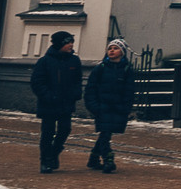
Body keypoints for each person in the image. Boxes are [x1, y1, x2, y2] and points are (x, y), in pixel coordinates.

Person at [84, 38, 137, 173]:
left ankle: (94, 158)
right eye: (110, 48)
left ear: (122, 52)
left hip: (117, 108)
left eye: (115, 48)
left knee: (105, 133)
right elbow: (91, 88)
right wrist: (94, 106)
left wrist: (125, 107)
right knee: (105, 133)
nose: (112, 51)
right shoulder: (100, 68)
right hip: (103, 107)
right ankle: (108, 159)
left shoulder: (126, 70)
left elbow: (129, 90)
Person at [31, 32, 81, 174]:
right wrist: (48, 96)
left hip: (66, 103)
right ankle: (45, 160)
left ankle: (54, 153)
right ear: (59, 44)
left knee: (65, 130)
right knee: (48, 132)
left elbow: (77, 80)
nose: (71, 45)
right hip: (49, 104)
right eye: (67, 42)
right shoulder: (45, 61)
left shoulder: (74, 61)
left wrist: (76, 94)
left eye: (72, 42)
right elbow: (37, 82)